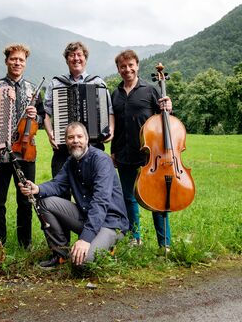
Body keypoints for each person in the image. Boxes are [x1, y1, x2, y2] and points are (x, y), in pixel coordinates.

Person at [20, 122, 128, 268]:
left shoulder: (101, 160)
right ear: (66, 141)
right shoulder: (71, 161)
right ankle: (60, 255)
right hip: (86, 215)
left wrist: (85, 239)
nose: (75, 140)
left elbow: (100, 202)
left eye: (79, 136)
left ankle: (107, 248)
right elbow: (57, 184)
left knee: (81, 263)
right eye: (71, 137)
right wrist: (37, 189)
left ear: (87, 139)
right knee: (43, 203)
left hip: (110, 223)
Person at [111, 49, 172, 250]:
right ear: (118, 69)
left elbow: (164, 119)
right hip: (123, 152)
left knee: (156, 197)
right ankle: (134, 238)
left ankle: (164, 243)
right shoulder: (116, 94)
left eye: (130, 65)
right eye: (123, 66)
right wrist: (113, 151)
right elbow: (115, 125)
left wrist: (168, 108)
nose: (127, 69)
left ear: (137, 66)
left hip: (150, 154)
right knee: (128, 197)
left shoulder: (150, 90)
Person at [0, 43, 45, 249]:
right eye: (13, 59)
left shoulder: (33, 88)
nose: (17, 62)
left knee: (26, 200)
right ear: (6, 61)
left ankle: (24, 243)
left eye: (21, 60)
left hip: (27, 153)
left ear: (25, 63)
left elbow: (43, 117)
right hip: (0, 154)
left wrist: (34, 115)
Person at [44, 41, 115, 178]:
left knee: (92, 191)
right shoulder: (56, 83)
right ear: (67, 60)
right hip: (63, 148)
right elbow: (46, 112)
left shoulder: (97, 83)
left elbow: (109, 110)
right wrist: (50, 133)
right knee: (60, 190)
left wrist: (110, 128)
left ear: (85, 58)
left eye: (79, 55)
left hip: (92, 147)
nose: (76, 58)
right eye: (72, 55)